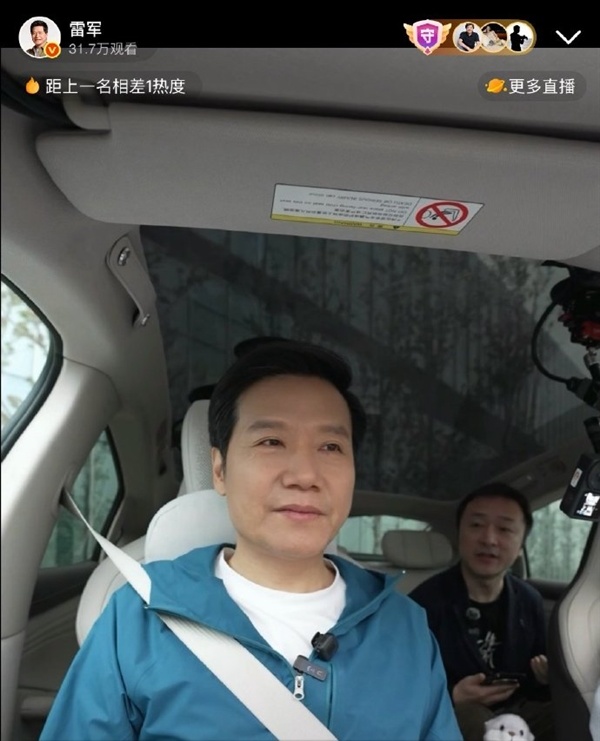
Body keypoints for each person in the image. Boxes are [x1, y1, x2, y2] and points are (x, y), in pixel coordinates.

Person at [41, 340, 462, 740]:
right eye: (271, 441)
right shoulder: (139, 615)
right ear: (219, 470)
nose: (305, 475)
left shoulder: (405, 627)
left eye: (331, 446)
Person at [410, 483, 554, 741]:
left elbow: (535, 685)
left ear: (521, 544)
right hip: (451, 716)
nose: (489, 539)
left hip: (519, 713)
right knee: (475, 719)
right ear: (459, 534)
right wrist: (453, 695)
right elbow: (402, 686)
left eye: (505, 529)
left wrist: (545, 677)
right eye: (476, 525)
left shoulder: (528, 600)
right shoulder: (422, 604)